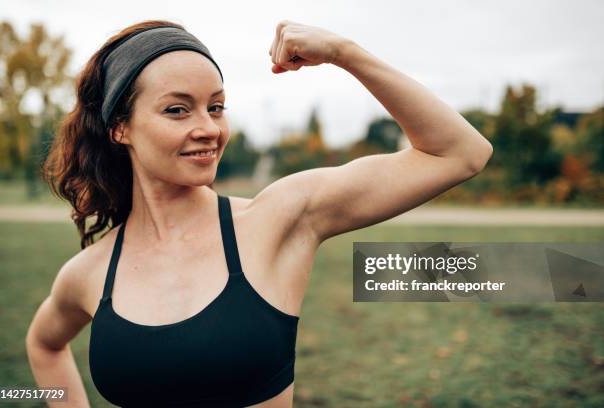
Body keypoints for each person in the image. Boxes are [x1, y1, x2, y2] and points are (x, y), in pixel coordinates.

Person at [25, 18, 493, 408]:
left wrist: (343, 51)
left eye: (216, 107)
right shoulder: (89, 273)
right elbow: (44, 344)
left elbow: (459, 153)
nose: (209, 128)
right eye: (177, 110)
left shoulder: (281, 219)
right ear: (120, 128)